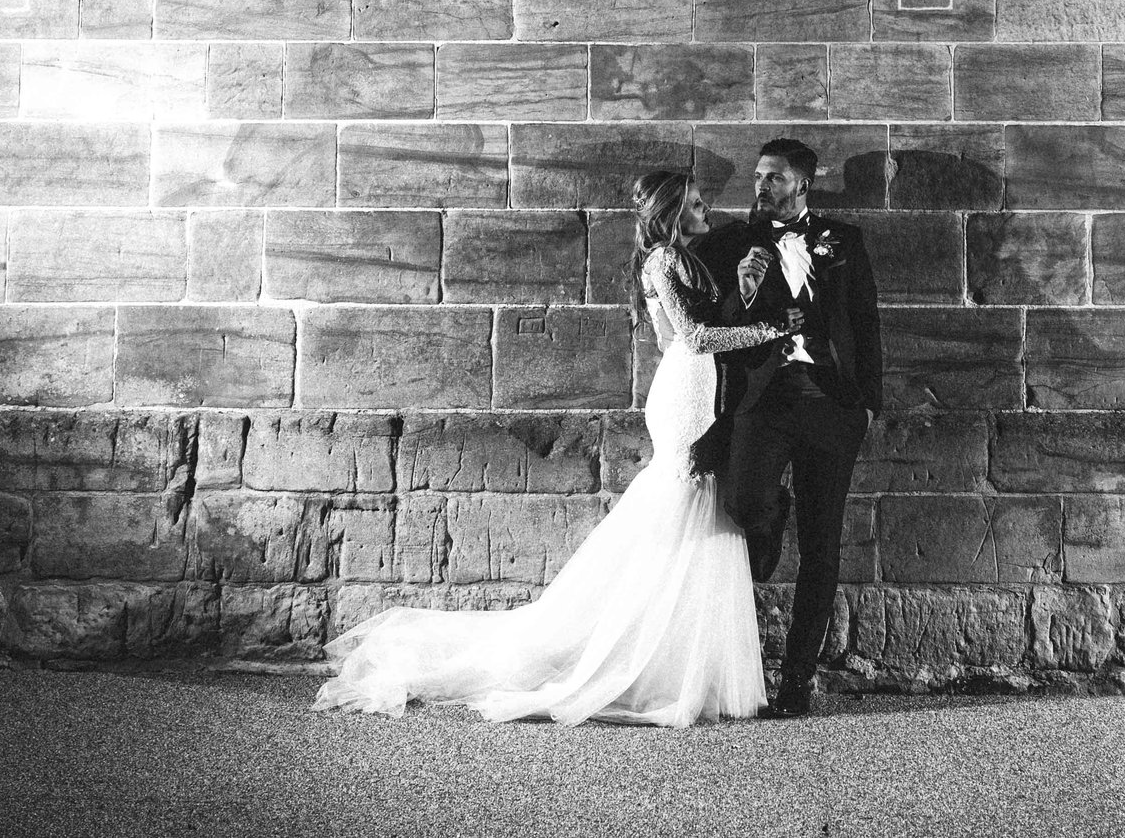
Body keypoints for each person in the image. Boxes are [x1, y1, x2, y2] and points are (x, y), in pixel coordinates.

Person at [312, 170, 793, 727]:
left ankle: (676, 660)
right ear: (668, 212)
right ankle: (638, 659)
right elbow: (696, 337)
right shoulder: (663, 260)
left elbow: (709, 325)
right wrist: (771, 329)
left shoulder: (688, 258)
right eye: (692, 201)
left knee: (695, 506)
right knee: (682, 499)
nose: (706, 206)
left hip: (700, 386)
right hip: (685, 391)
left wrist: (747, 298)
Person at [694, 137, 884, 720]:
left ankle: (797, 681)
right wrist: (745, 290)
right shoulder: (734, 242)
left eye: (773, 178)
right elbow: (713, 326)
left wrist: (868, 403)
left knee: (823, 543)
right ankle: (770, 514)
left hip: (832, 405)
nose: (760, 186)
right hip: (765, 400)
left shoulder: (844, 240)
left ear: (803, 183)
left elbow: (866, 322)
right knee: (747, 503)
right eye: (757, 176)